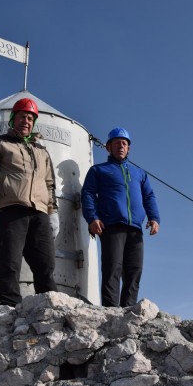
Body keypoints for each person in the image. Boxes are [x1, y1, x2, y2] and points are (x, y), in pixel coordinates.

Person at [0, 97, 59, 307]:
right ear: (13, 119)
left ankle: (48, 305)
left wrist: (53, 211)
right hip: (10, 211)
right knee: (9, 263)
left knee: (46, 263)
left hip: (39, 213)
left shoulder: (42, 151)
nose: (26, 121)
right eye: (22, 116)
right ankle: (9, 307)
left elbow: (50, 183)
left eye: (30, 118)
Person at [81, 127, 160, 307]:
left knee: (134, 270)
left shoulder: (139, 173)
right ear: (108, 147)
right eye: (116, 143)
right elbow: (88, 194)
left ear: (129, 148)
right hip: (111, 226)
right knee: (112, 268)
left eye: (124, 143)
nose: (121, 146)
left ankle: (129, 310)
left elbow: (149, 196)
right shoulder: (98, 170)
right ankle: (111, 310)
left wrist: (154, 218)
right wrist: (92, 218)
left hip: (135, 228)